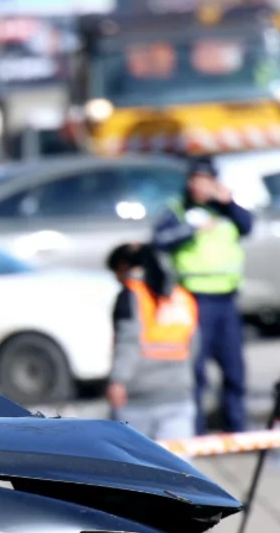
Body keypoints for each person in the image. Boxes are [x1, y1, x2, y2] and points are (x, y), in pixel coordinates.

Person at [153, 156, 252, 434]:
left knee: (234, 369)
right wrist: (191, 230)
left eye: (205, 180)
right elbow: (160, 240)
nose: (200, 186)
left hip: (227, 299)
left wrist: (228, 203)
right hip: (194, 299)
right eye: (195, 180)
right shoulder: (179, 209)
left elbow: (247, 226)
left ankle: (237, 428)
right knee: (196, 372)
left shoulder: (224, 209)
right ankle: (196, 431)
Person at [105, 244, 200, 440]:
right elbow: (195, 343)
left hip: (139, 396)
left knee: (135, 465)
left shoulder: (131, 295)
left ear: (123, 267)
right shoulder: (181, 296)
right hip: (179, 393)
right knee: (177, 466)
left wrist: (117, 381)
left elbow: (127, 341)